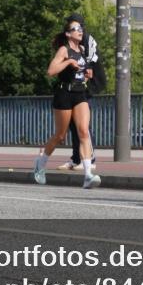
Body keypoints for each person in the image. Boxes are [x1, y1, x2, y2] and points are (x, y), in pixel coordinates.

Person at [33, 17, 102, 189]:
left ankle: (87, 175)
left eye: (81, 28)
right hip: (64, 93)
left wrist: (87, 74)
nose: (80, 31)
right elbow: (51, 71)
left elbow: (83, 69)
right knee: (60, 136)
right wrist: (68, 62)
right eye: (75, 28)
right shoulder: (64, 50)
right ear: (68, 34)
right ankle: (40, 165)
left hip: (80, 93)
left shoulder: (83, 49)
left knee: (84, 131)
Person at [57, 14, 102, 171]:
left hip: (88, 83)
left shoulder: (86, 39)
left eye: (76, 25)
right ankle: (77, 157)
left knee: (83, 126)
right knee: (73, 123)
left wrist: (87, 70)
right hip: (75, 85)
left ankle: (90, 158)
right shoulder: (72, 40)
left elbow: (90, 59)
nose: (75, 28)